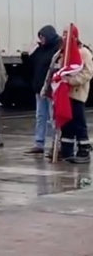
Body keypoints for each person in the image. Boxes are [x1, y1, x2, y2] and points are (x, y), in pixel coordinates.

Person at [42, 26, 93, 163]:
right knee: (66, 123)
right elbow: (55, 70)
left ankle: (84, 151)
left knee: (78, 123)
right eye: (63, 35)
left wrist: (70, 81)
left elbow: (87, 73)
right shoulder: (62, 53)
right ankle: (66, 150)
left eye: (67, 35)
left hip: (77, 94)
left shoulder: (84, 53)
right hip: (64, 95)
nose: (64, 37)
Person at [24, 26, 61, 156]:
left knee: (53, 117)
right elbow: (31, 64)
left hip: (51, 89)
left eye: (43, 37)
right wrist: (27, 54)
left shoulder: (57, 48)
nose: (41, 40)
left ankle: (55, 144)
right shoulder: (41, 49)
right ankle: (39, 143)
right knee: (40, 116)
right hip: (40, 88)